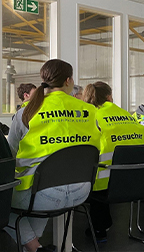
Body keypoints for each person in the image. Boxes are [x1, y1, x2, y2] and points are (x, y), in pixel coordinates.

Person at [5, 59, 100, 252]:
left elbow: (10, 156)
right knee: (43, 192)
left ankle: (34, 247)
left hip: (41, 193)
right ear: (68, 81)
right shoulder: (89, 110)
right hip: (82, 190)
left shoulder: (27, 112)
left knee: (6, 199)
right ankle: (35, 246)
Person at [83, 81, 144, 242]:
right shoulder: (127, 115)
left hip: (101, 185)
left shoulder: (91, 116)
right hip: (133, 180)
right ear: (110, 96)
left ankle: (99, 227)